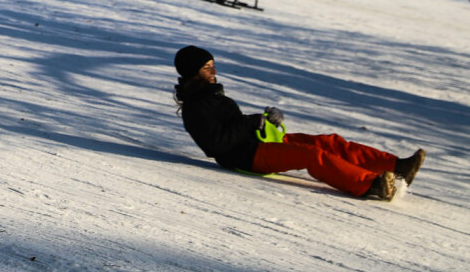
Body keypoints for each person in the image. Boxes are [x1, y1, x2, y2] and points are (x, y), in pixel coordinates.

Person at [171, 45, 424, 201]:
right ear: (193, 73)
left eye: (213, 65)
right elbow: (215, 145)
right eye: (207, 68)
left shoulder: (212, 95)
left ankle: (396, 166)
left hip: (258, 143)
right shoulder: (194, 107)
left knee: (327, 142)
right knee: (312, 155)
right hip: (247, 157)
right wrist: (251, 122)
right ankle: (371, 185)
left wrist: (268, 120)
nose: (214, 71)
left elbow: (237, 124)